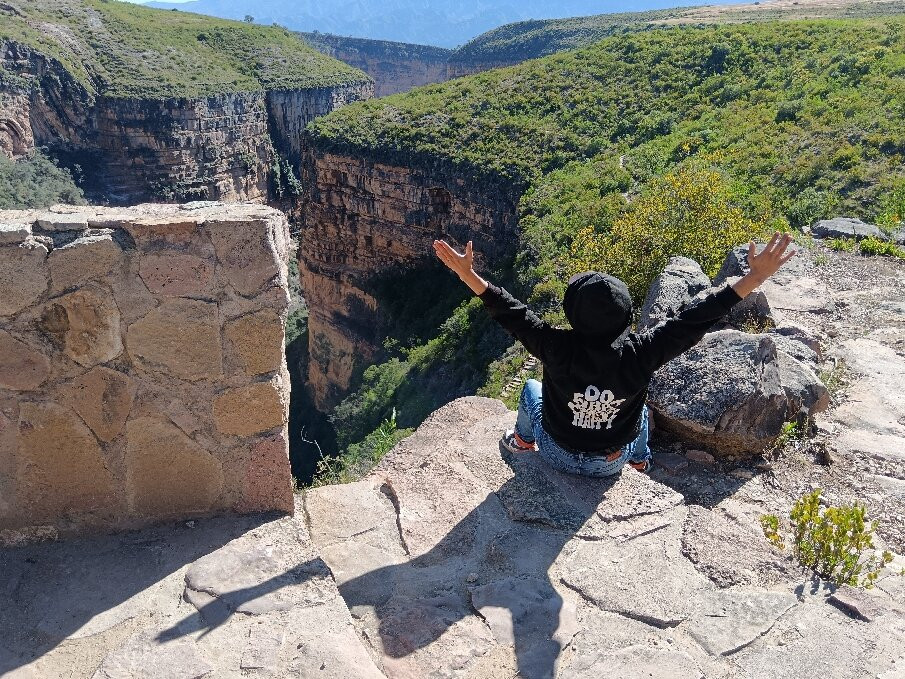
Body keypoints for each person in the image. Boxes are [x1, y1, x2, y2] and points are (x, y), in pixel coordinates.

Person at [432, 233, 796, 477]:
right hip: (610, 462)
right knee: (640, 408)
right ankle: (639, 461)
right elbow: (695, 319)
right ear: (625, 314)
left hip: (556, 452)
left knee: (530, 388)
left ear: (572, 313)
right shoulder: (644, 352)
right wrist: (754, 278)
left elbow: (511, 313)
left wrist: (469, 275)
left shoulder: (554, 346)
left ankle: (524, 442)